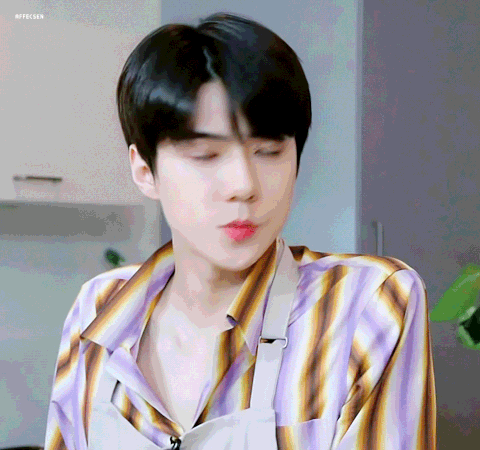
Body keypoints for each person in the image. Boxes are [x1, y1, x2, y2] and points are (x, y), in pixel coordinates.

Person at [44, 12, 436, 450]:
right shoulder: (98, 309)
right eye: (205, 155)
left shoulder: (366, 305)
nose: (244, 185)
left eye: (268, 151)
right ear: (144, 170)